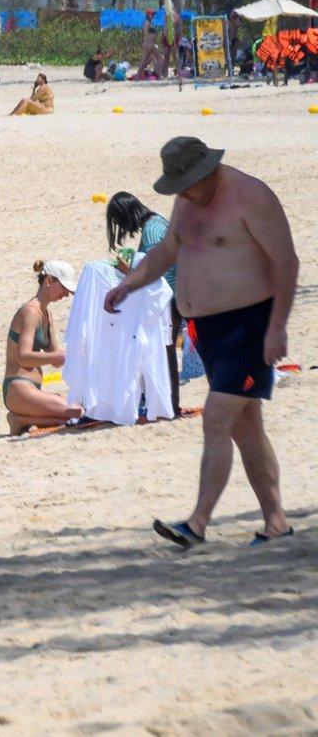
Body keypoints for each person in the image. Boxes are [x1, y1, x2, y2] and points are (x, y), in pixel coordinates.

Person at [104, 137, 298, 548]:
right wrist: (128, 286)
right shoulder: (187, 200)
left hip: (249, 327)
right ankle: (276, 520)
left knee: (215, 418)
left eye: (189, 182)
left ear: (208, 170)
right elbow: (166, 251)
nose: (184, 192)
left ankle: (197, 524)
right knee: (245, 429)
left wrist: (277, 328)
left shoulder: (251, 196)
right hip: (208, 332)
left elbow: (286, 261)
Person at [108, 191, 181, 403]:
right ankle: (170, 403)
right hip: (176, 296)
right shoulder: (157, 221)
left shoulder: (150, 232)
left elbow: (155, 268)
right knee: (166, 352)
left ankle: (169, 404)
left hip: (169, 300)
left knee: (164, 352)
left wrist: (128, 276)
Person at [4, 259, 82, 434]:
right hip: (18, 388)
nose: (66, 294)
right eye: (63, 288)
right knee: (78, 412)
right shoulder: (30, 312)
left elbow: (55, 356)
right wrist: (57, 357)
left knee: (79, 413)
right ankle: (20, 419)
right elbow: (23, 357)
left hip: (31, 388)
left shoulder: (46, 313)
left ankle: (22, 420)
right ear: (49, 281)